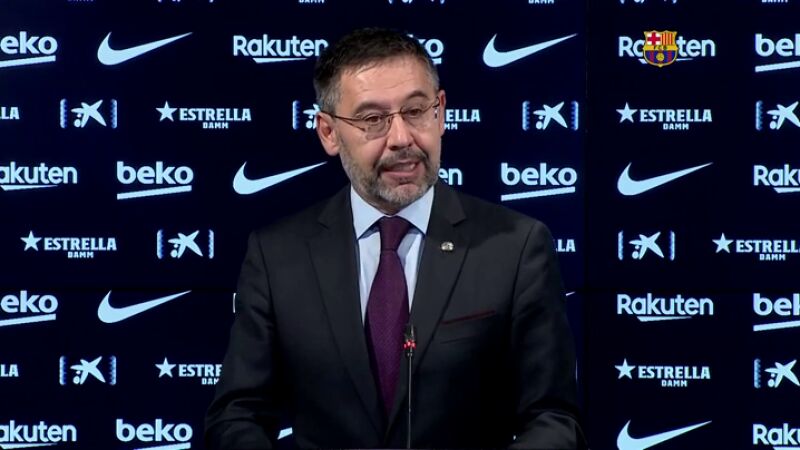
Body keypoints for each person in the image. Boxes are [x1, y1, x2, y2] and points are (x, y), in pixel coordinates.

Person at [205, 27, 586, 449]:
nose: (402, 139)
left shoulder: (516, 247)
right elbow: (237, 416)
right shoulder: (278, 256)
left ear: (441, 112)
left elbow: (553, 420)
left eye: (416, 111)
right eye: (373, 120)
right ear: (329, 132)